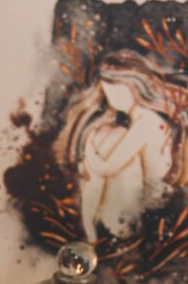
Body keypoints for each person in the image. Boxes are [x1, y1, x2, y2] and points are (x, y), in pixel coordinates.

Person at [55, 50, 188, 241]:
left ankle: (94, 231)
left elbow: (108, 166)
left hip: (155, 200)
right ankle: (92, 229)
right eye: (107, 92)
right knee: (103, 152)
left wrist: (90, 151)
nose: (111, 98)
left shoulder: (146, 122)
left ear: (133, 87)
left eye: (115, 90)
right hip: (147, 196)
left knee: (102, 161)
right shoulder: (138, 119)